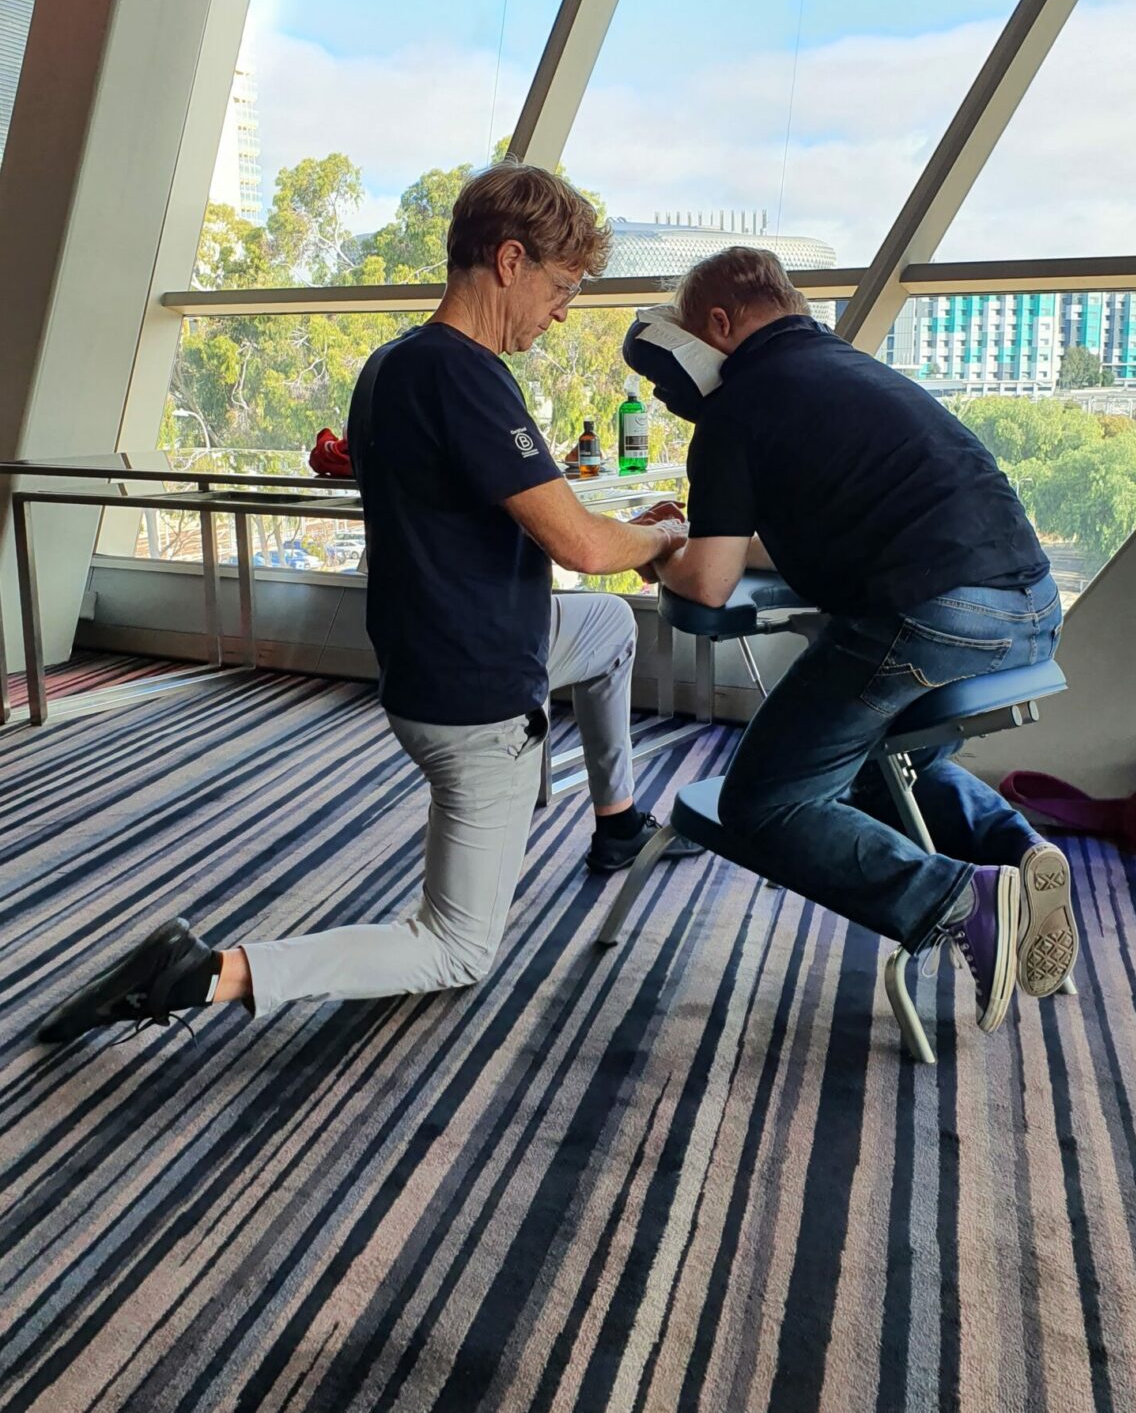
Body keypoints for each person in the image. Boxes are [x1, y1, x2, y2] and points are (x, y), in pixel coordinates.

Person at [37, 163, 698, 1043]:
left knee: (611, 627)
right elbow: (577, 543)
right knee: (457, 946)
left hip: (448, 651)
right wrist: (659, 540)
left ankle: (615, 823)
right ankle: (208, 973)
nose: (563, 310)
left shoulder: (393, 365)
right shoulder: (469, 377)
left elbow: (525, 508)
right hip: (477, 697)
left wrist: (622, 529)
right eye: (562, 286)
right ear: (510, 261)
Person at [637, 248, 1079, 1035]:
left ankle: (958, 898)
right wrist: (703, 543)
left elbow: (706, 583)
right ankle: (1020, 860)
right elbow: (776, 545)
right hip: (1033, 608)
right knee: (879, 760)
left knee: (764, 799)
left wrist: (661, 546)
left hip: (934, 614)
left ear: (716, 325)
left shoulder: (739, 406)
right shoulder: (855, 373)